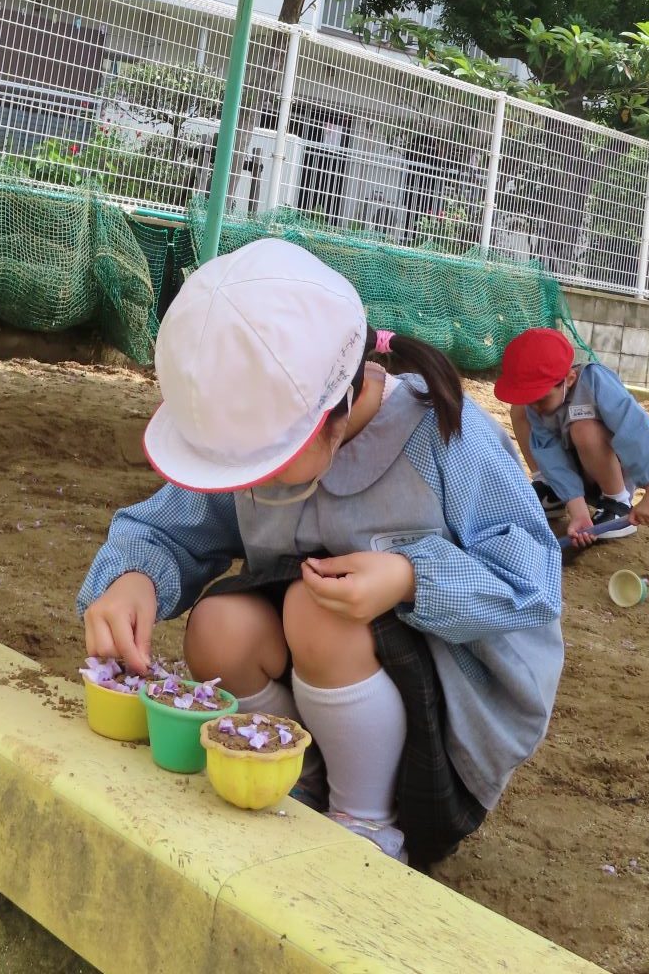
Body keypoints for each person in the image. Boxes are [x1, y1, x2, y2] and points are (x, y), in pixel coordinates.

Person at [78, 238, 563, 871]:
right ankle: (298, 781)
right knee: (220, 626)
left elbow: (534, 579)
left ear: (332, 413)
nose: (249, 482)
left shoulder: (445, 434)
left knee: (315, 610)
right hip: (319, 693)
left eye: (264, 461)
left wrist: (410, 576)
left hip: (440, 744)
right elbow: (171, 526)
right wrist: (134, 579)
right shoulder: (257, 430)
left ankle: (366, 827)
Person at [494, 327, 649, 548]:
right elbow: (549, 452)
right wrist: (578, 511)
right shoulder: (536, 405)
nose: (536, 407)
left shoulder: (595, 382)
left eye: (542, 399)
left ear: (569, 379)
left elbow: (635, 429)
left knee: (583, 428)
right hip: (577, 473)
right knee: (520, 409)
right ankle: (552, 491)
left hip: (612, 471)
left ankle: (617, 502)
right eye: (531, 398)